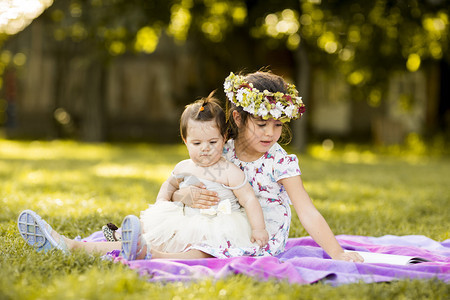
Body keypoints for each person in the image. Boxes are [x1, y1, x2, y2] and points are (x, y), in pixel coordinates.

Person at [17, 95, 269, 260]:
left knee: (202, 253)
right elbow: (170, 183)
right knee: (153, 230)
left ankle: (150, 254)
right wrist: (162, 205)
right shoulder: (184, 165)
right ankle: (69, 244)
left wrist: (258, 229)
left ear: (224, 138)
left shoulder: (228, 170)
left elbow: (248, 200)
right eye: (197, 142)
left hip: (219, 226)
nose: (205, 148)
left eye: (213, 142)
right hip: (184, 218)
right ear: (185, 141)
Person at [170, 71, 363, 262]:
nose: (270, 133)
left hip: (261, 237)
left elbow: (307, 211)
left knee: (210, 250)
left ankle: (159, 256)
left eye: (277, 125)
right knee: (181, 233)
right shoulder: (221, 151)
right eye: (261, 124)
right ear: (238, 118)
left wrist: (337, 253)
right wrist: (185, 196)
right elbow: (180, 186)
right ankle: (152, 247)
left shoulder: (278, 162)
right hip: (223, 223)